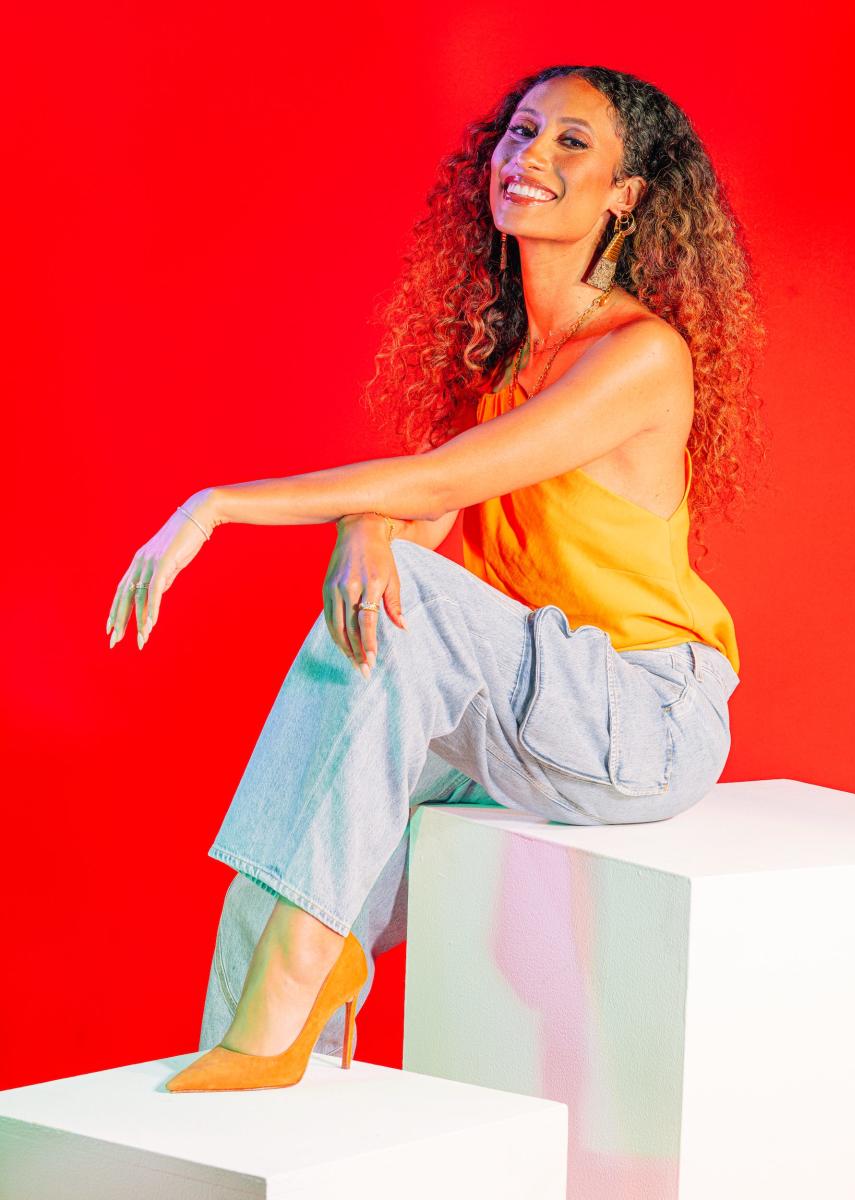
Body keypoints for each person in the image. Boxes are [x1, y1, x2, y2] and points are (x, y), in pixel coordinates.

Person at [105, 64, 764, 1092]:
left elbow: (438, 482)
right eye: (519, 131)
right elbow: (424, 507)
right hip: (533, 721)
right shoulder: (506, 372)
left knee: (411, 614)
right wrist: (366, 529)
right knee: (280, 857)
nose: (530, 156)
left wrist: (219, 505)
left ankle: (289, 996)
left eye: (571, 143)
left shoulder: (639, 357)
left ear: (626, 196)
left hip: (643, 716)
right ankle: (254, 1095)